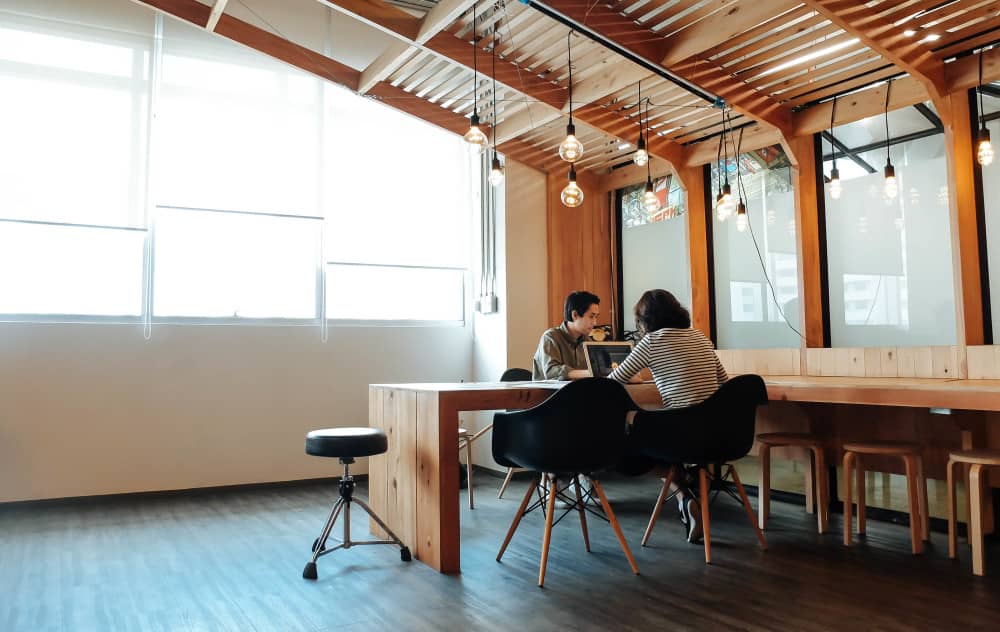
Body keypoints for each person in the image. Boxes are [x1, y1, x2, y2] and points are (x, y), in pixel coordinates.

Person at [608, 289, 728, 543]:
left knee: (625, 435)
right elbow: (725, 383)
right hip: (718, 435)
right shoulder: (700, 337)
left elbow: (613, 382)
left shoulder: (652, 342)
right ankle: (684, 491)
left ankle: (683, 487)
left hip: (680, 437)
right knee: (651, 427)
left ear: (645, 320)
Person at [532, 290, 600, 380]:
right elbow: (551, 371)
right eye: (591, 316)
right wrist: (588, 373)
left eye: (596, 317)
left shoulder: (588, 341)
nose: (595, 323)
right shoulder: (550, 337)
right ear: (575, 315)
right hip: (551, 393)